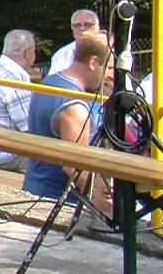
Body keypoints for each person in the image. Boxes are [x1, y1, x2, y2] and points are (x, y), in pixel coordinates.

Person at [23, 31, 113, 212]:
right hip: (58, 202)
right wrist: (103, 207)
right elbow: (75, 168)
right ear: (93, 62)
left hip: (35, 187)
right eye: (109, 68)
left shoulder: (49, 82)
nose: (110, 75)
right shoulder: (75, 107)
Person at [0, 29, 37, 170]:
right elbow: (29, 126)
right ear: (28, 53)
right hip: (9, 155)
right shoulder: (14, 77)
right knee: (64, 157)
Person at [48, 8, 101, 76]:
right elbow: (54, 81)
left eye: (87, 25)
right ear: (72, 28)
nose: (82, 28)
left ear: (98, 27)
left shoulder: (110, 50)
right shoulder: (61, 55)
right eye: (77, 25)